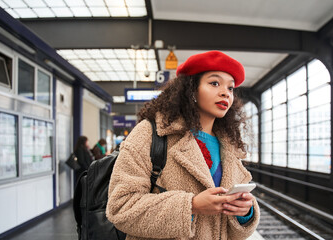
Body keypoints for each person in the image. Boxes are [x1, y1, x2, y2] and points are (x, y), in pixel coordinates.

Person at [106, 51, 260, 239]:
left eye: (231, 88)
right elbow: (120, 207)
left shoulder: (230, 146)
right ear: (191, 89)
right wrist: (192, 205)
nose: (225, 93)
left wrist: (245, 213)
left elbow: (233, 230)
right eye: (214, 83)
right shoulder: (151, 133)